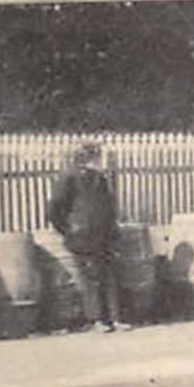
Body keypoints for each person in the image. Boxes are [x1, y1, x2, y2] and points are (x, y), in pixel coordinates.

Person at [45, 142, 127, 333]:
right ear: (89, 158)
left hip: (102, 234)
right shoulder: (69, 177)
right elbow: (55, 208)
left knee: (106, 275)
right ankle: (98, 319)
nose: (101, 160)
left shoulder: (99, 178)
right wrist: (66, 229)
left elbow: (108, 204)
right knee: (92, 276)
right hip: (82, 235)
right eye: (97, 156)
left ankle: (112, 319)